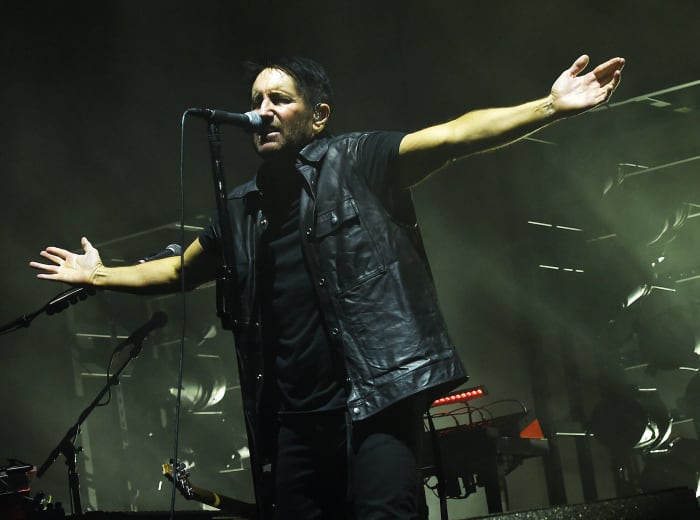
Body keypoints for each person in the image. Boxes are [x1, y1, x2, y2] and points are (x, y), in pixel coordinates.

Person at [29, 53, 625, 519]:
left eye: (279, 99)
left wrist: (549, 106)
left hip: (377, 396)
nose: (262, 109)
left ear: (317, 115)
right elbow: (178, 270)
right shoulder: (240, 208)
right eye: (256, 99)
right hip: (293, 414)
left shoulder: (356, 161)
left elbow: (452, 135)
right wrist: (97, 274)